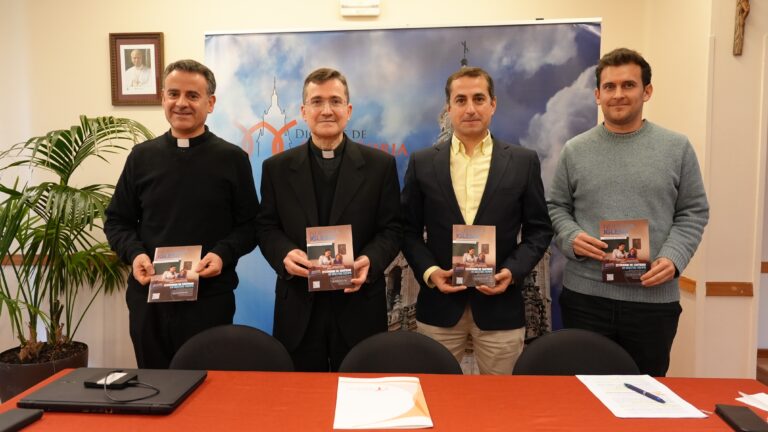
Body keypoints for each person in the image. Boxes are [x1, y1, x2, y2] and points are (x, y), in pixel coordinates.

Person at [547, 48, 709, 376]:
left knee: (645, 394)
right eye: (609, 86)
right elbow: (556, 207)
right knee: (582, 394)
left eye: (628, 85)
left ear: (647, 91)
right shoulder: (575, 150)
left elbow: (693, 211)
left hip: (653, 302)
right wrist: (571, 236)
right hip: (586, 298)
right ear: (597, 95)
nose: (618, 94)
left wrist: (674, 257)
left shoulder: (676, 148)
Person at [104, 59, 261, 369]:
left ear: (210, 103)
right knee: (155, 385)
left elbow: (250, 226)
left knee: (210, 386)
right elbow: (117, 221)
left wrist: (222, 255)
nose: (181, 103)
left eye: (192, 95)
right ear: (163, 98)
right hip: (149, 299)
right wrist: (135, 254)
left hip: (209, 300)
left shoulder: (232, 159)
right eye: (173, 94)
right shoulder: (141, 157)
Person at [401, 66, 553, 375]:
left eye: (479, 99)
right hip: (439, 309)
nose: (470, 108)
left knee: (499, 399)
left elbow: (539, 230)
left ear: (493, 104)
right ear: (449, 108)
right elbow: (406, 230)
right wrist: (430, 272)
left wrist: (512, 272)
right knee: (436, 395)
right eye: (461, 100)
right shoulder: (422, 162)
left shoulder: (523, 161)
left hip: (501, 310)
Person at [257, 68, 402, 372]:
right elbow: (266, 227)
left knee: (361, 393)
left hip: (359, 306)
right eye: (317, 101)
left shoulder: (381, 166)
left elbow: (392, 229)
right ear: (303, 111)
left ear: (348, 110)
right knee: (301, 397)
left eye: (335, 101)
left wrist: (370, 261)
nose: (326, 110)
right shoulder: (276, 168)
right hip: (298, 308)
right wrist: (284, 254)